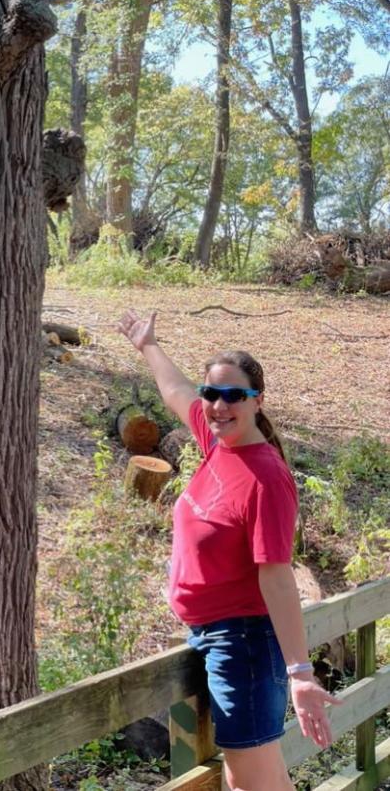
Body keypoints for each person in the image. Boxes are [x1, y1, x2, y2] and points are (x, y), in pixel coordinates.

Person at [117, 309, 340, 791]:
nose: (218, 405)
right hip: (213, 636)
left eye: (233, 395)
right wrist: (148, 345)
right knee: (262, 782)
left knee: (249, 786)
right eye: (212, 393)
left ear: (257, 401)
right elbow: (177, 392)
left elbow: (277, 578)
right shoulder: (221, 442)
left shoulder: (266, 479)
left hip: (243, 645)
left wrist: (301, 673)